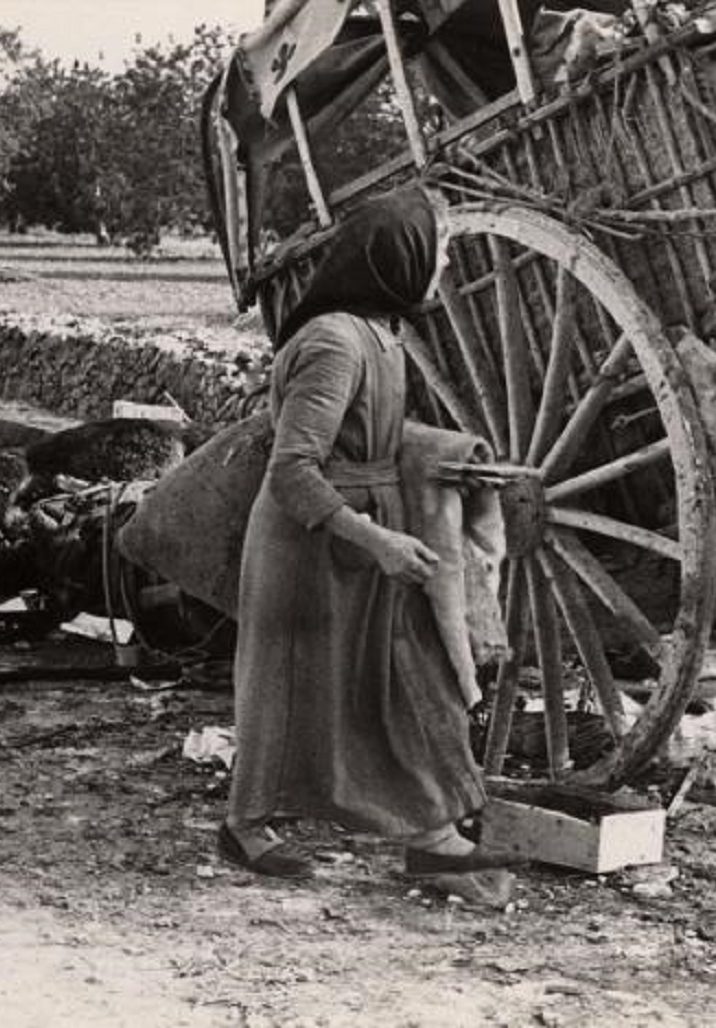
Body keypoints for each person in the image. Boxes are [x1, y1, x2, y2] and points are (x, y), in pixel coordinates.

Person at [220, 185, 518, 879]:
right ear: (399, 255)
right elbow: (292, 470)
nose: (443, 264)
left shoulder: (382, 336)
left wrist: (450, 466)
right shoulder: (334, 342)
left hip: (362, 532)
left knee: (404, 679)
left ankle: (433, 833)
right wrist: (378, 540)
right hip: (309, 542)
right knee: (285, 688)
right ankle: (244, 825)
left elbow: (376, 439)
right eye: (438, 249)